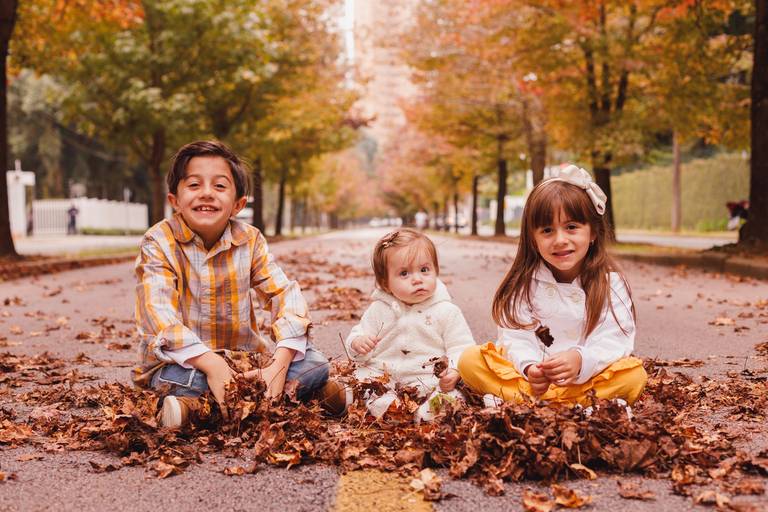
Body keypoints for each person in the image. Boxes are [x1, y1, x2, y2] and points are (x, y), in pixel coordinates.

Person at [133, 140, 344, 428]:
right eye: (194, 185)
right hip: (184, 363)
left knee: (316, 363)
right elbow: (157, 315)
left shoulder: (250, 239)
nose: (206, 193)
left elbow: (284, 294)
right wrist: (210, 363)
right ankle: (299, 396)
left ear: (237, 204)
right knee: (182, 380)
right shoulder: (158, 241)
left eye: (220, 186)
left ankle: (201, 409)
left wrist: (278, 365)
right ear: (174, 201)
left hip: (244, 362)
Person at [458, 164, 647, 409]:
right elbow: (515, 336)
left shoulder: (611, 284)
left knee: (633, 376)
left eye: (571, 227)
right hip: (534, 383)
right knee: (470, 360)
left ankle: (534, 403)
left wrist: (581, 359)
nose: (560, 240)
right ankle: (562, 404)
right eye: (547, 230)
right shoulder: (523, 284)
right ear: (533, 240)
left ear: (592, 233)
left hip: (587, 380)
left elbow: (615, 338)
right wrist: (529, 367)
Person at [344, 228, 475, 421]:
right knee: (362, 381)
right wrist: (358, 344)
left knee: (453, 395)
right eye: (404, 273)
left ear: (435, 271)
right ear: (385, 283)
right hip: (384, 377)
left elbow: (462, 346)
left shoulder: (446, 311)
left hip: (430, 381)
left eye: (424, 270)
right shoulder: (379, 310)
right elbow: (358, 340)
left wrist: (454, 370)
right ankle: (390, 409)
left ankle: (428, 414)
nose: (417, 279)